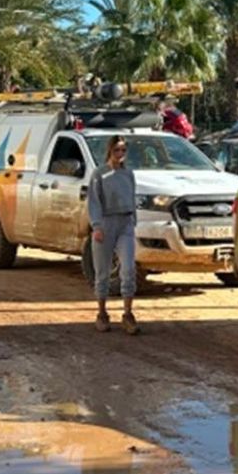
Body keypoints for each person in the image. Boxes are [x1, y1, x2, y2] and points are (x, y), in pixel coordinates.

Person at [88, 134, 139, 334]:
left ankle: (127, 313)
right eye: (117, 150)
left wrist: (133, 220)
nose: (120, 154)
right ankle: (102, 312)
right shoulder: (99, 174)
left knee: (128, 268)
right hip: (106, 222)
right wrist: (97, 225)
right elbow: (93, 201)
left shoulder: (128, 174)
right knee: (102, 272)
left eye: (123, 150)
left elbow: (132, 196)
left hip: (125, 222)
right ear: (109, 150)